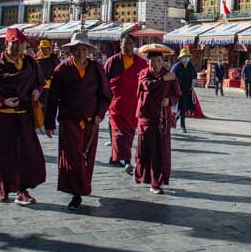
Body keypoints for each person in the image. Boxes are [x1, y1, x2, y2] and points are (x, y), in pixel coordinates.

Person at [45, 31, 112, 211]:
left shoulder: (96, 68)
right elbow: (53, 98)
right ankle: (77, 192)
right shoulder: (62, 70)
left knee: (87, 157)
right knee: (73, 157)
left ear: (89, 51)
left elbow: (106, 95)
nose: (80, 53)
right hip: (69, 121)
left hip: (91, 121)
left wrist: (100, 114)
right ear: (71, 51)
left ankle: (80, 188)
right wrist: (49, 123)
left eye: (84, 49)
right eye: (77, 49)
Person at [0, 27, 46, 204]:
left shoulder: (30, 62)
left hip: (25, 114)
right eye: (15, 44)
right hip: (4, 114)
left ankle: (23, 190)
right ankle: (4, 189)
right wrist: (4, 101)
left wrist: (36, 91)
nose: (19, 48)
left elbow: (40, 82)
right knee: (4, 153)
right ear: (7, 44)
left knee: (26, 153)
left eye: (22, 44)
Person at [134, 47, 181, 194]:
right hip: (147, 118)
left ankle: (157, 183)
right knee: (146, 151)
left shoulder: (170, 76)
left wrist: (169, 99)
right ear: (147, 62)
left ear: (163, 61)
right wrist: (162, 80)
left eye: (159, 61)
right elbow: (147, 86)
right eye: (153, 61)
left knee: (160, 152)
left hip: (162, 119)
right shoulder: (144, 74)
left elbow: (177, 93)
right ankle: (145, 176)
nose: (156, 64)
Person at [104, 34, 147, 173]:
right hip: (116, 105)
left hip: (133, 104)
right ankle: (127, 160)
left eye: (130, 44)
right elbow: (104, 83)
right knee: (118, 133)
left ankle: (114, 157)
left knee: (128, 133)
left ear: (133, 45)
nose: (127, 47)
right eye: (124, 44)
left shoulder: (140, 62)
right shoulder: (112, 62)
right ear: (120, 45)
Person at [169, 48, 197, 133]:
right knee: (180, 108)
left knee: (183, 108)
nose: (186, 58)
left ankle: (176, 121)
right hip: (178, 90)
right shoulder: (176, 67)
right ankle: (182, 126)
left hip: (187, 90)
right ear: (181, 58)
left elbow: (194, 76)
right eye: (184, 57)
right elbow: (171, 78)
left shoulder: (191, 66)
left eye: (187, 56)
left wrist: (193, 84)